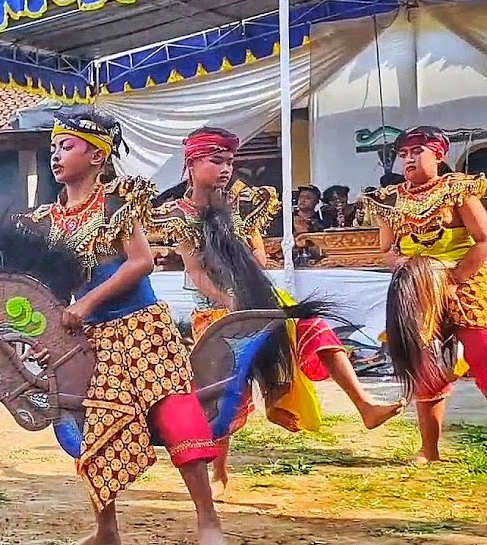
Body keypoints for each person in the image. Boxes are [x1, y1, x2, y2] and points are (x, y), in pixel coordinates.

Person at [17, 109, 228, 545]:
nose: (56, 155)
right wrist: (46, 332)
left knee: (174, 411)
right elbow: (53, 291)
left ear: (97, 156)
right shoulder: (48, 220)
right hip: (88, 336)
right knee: (91, 422)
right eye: (53, 147)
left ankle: (209, 522)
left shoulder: (118, 202)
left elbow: (141, 263)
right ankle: (105, 529)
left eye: (67, 146)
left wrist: (86, 305)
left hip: (141, 328)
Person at [151, 128, 402, 498]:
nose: (226, 168)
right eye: (216, 161)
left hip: (260, 298)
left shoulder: (242, 205)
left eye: (229, 162)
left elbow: (259, 255)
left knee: (315, 329)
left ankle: (364, 405)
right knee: (226, 391)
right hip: (216, 310)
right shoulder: (179, 214)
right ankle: (219, 470)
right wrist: (229, 299)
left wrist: (249, 276)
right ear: (191, 165)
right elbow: (196, 272)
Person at [360, 127, 487, 462]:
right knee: (425, 362)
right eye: (403, 154)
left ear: (439, 155)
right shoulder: (391, 199)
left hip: (464, 282)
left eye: (416, 152)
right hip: (419, 287)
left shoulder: (458, 189)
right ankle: (429, 448)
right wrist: (406, 265)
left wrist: (454, 277)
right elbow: (387, 250)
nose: (408, 159)